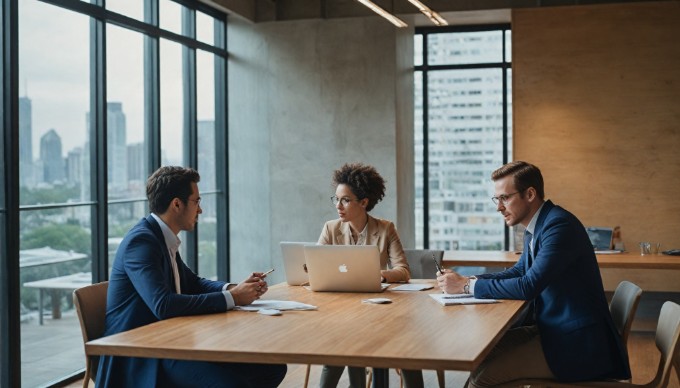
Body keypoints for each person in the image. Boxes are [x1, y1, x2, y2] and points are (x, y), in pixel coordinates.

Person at [437, 161, 631, 387]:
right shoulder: (537, 225)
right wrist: (468, 280)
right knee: (483, 352)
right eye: (496, 199)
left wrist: (466, 287)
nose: (498, 207)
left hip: (576, 344)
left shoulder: (559, 225)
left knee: (484, 377)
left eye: (504, 198)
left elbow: (528, 285)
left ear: (530, 194)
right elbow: (520, 271)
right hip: (554, 329)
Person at [96, 166, 286, 388]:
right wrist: (233, 298)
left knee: (272, 368)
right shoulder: (142, 242)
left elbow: (192, 282)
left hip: (172, 342)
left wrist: (234, 288)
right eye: (196, 201)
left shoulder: (161, 238)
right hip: (142, 354)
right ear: (177, 204)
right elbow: (163, 304)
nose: (201, 210)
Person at [317, 162, 422, 388]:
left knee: (407, 350)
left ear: (363, 202)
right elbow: (316, 268)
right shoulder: (330, 229)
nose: (338, 205)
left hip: (380, 311)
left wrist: (380, 275)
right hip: (340, 310)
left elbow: (403, 271)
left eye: (345, 200)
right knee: (336, 353)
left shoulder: (385, 229)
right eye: (336, 199)